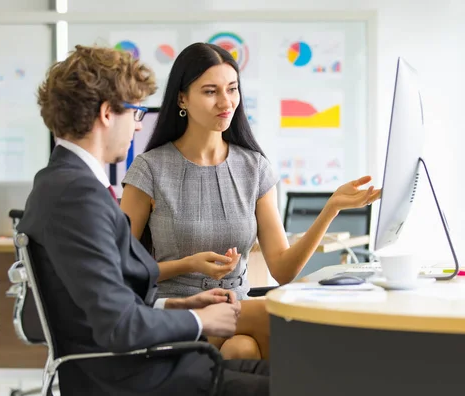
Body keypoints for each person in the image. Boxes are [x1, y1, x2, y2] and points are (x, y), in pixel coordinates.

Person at [17, 45, 269, 396]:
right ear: (105, 113)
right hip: (131, 390)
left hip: (128, 376)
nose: (138, 126)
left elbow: (104, 301)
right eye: (135, 113)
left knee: (289, 378)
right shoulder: (75, 195)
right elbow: (118, 326)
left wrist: (178, 305)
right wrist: (202, 322)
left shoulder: (62, 184)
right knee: (301, 394)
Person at [120, 42, 381, 359]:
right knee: (281, 326)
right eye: (210, 91)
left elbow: (283, 269)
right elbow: (122, 268)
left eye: (232, 89)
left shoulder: (254, 168)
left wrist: (332, 208)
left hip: (236, 315)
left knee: (242, 350)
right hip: (177, 315)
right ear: (182, 98)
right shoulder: (149, 170)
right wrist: (187, 265)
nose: (225, 102)